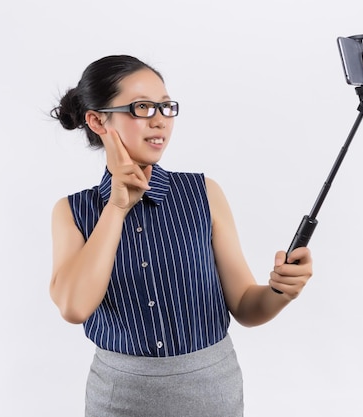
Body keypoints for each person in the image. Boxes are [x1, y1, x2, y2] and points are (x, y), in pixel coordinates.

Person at [49, 54, 313, 417]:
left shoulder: (204, 193)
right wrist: (116, 208)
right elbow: (74, 307)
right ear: (97, 121)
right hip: (118, 400)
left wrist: (282, 291)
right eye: (142, 107)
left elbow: (247, 307)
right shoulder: (72, 211)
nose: (159, 121)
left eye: (166, 107)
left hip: (212, 396)